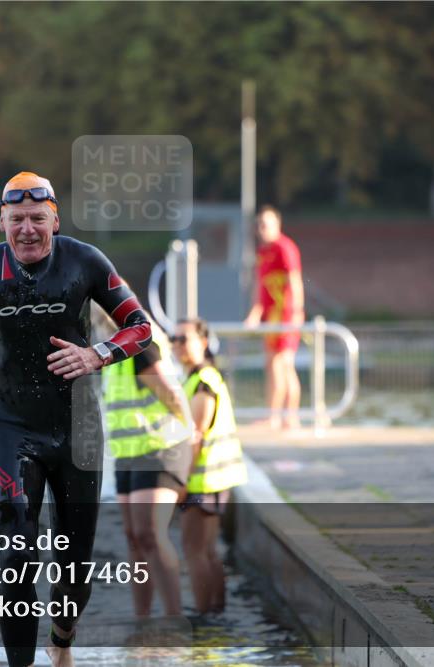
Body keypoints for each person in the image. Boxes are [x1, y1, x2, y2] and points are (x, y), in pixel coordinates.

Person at [0, 171, 152, 667]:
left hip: (79, 430)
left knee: (74, 570)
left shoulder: (85, 261)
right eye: (17, 220)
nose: (27, 230)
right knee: (15, 559)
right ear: (2, 221)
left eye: (37, 219)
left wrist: (98, 355)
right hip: (12, 427)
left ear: (55, 219)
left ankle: (62, 641)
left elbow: (141, 327)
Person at [95, 305, 192, 619]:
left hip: (160, 448)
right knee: (134, 537)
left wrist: (191, 435)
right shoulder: (112, 352)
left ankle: (173, 619)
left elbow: (171, 395)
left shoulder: (140, 344)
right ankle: (142, 620)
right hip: (128, 454)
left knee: (150, 532)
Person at [171, 318, 247, 615]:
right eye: (173, 339)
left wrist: (181, 483)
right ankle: (216, 613)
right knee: (208, 551)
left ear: (203, 342)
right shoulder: (199, 377)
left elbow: (196, 436)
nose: (177, 345)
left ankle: (205, 621)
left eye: (183, 339)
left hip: (204, 482)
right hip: (215, 480)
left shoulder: (203, 381)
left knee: (194, 552)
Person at [243, 205, 305, 430]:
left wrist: (297, 312)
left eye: (266, 224)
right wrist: (255, 313)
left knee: (284, 364)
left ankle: (287, 416)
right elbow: (259, 286)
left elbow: (295, 280)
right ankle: (274, 415)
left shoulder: (285, 248)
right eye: (260, 224)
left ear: (277, 225)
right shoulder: (262, 252)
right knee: (271, 364)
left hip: (286, 314)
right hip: (271, 317)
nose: (262, 229)